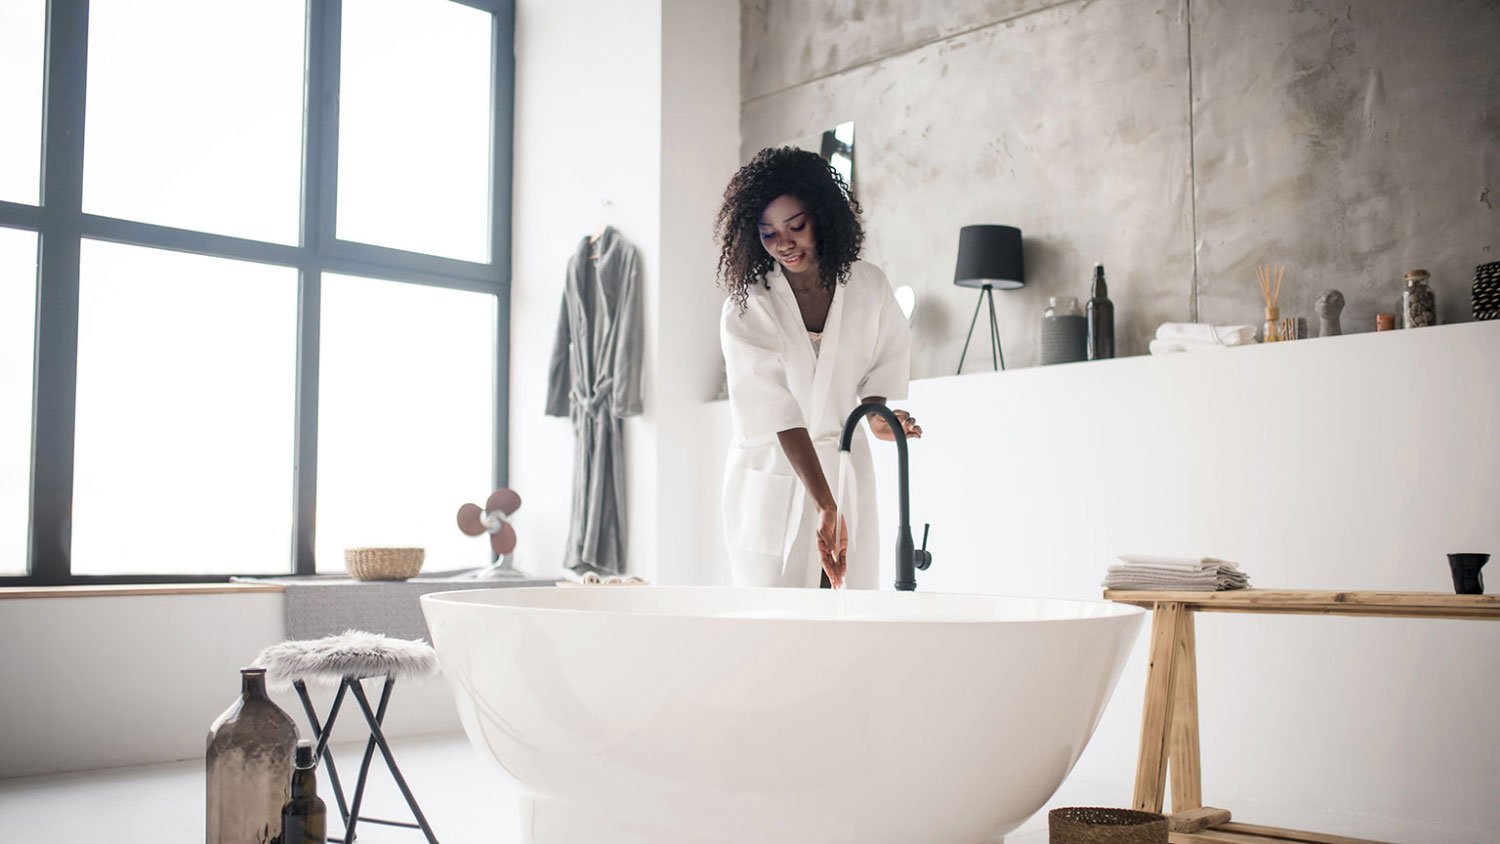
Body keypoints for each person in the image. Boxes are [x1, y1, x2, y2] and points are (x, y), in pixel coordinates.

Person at [715, 147, 922, 590]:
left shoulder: (869, 287)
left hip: (844, 462)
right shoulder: (749, 307)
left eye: (796, 226)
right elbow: (776, 414)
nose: (784, 243)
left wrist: (878, 416)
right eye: (768, 233)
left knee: (848, 612)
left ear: (823, 216)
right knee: (776, 622)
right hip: (779, 471)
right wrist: (825, 503)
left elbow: (881, 367)